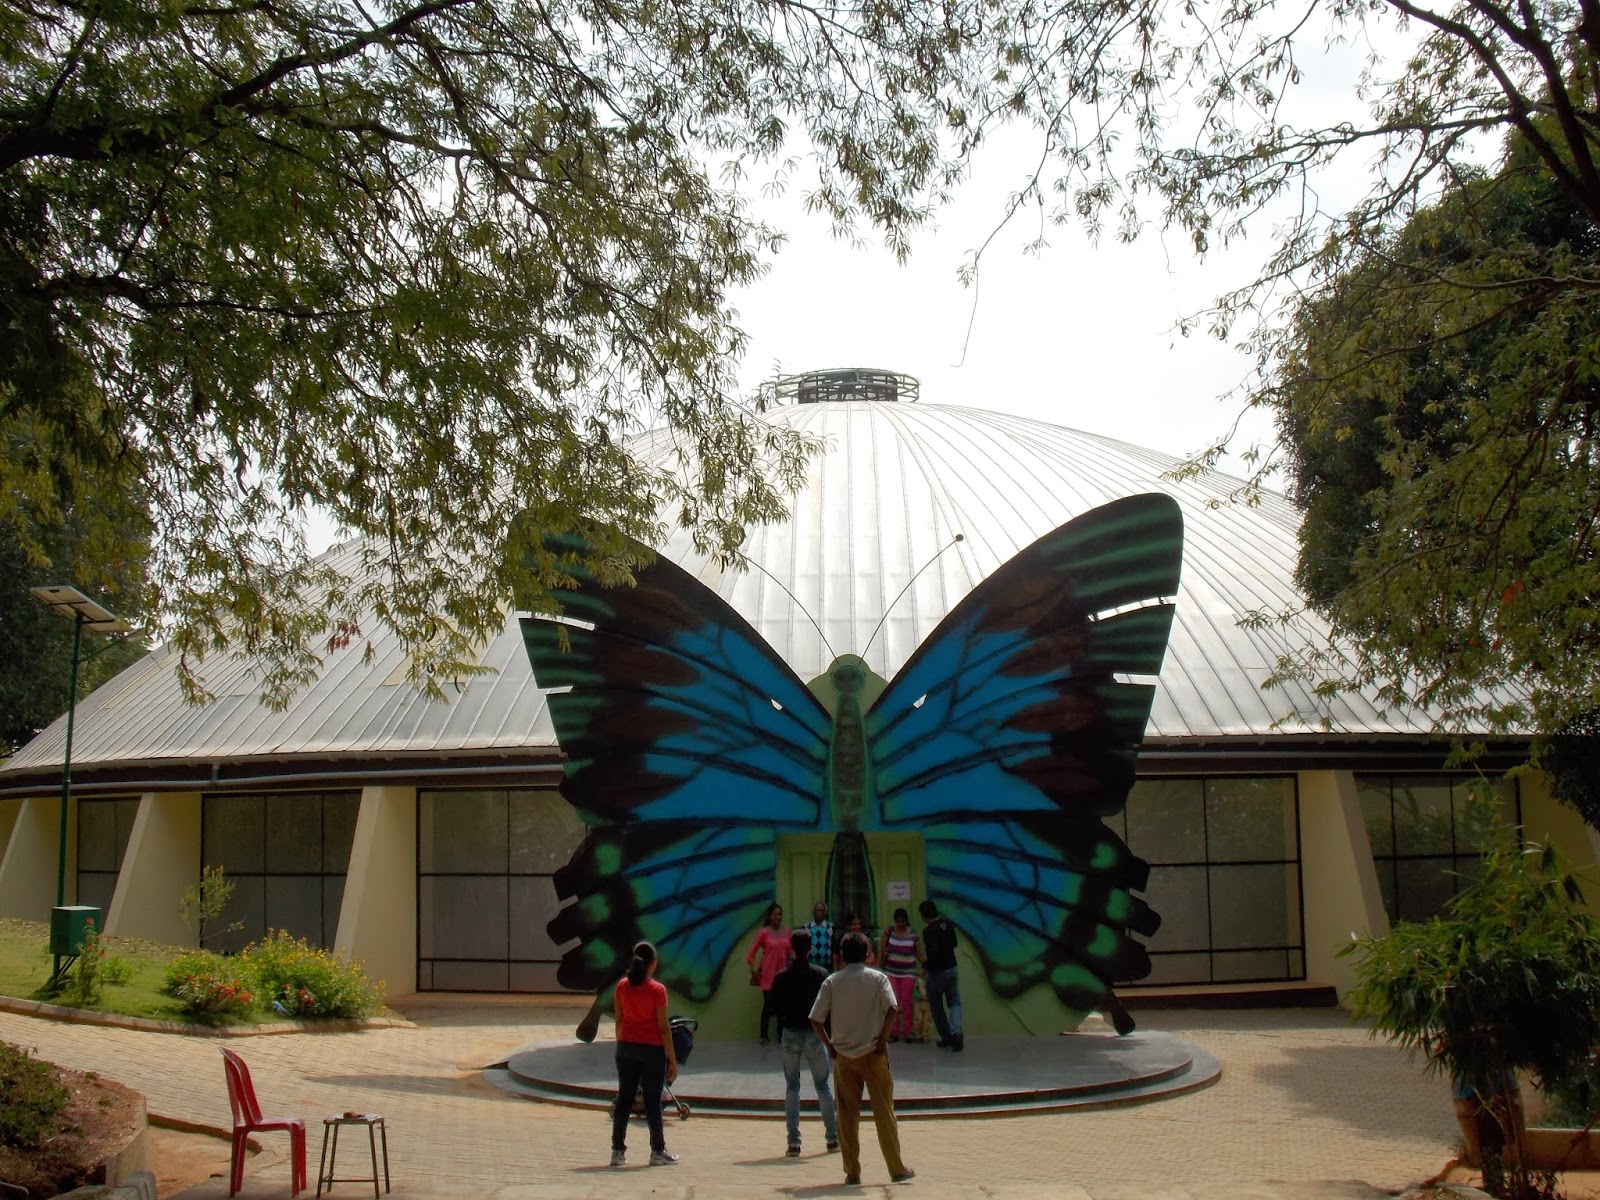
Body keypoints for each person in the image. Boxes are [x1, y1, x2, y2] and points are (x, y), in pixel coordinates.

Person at [809, 931, 915, 1186]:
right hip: (874, 1055)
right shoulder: (878, 979)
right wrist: (881, 1040)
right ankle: (896, 1168)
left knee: (846, 1115)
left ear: (843, 956)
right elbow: (892, 1009)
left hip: (844, 1056)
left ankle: (852, 1171)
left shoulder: (833, 982)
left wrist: (830, 1045)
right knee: (884, 1113)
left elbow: (815, 1019)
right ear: (867, 954)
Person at [768, 929, 839, 1157]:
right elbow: (828, 1009)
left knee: (792, 1087)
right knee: (823, 1087)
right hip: (814, 1034)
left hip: (790, 1032)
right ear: (810, 949)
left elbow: (774, 1008)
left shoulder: (781, 977)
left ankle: (794, 1142)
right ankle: (832, 1138)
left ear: (792, 948)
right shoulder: (821, 975)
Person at [609, 941, 679, 1168]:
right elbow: (662, 1028)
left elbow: (619, 1020)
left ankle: (617, 1152)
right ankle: (657, 1151)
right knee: (652, 1101)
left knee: (624, 1100)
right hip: (652, 1050)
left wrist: (623, 1042)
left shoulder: (621, 986)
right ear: (653, 963)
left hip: (626, 1047)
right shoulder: (658, 990)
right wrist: (672, 1059)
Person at [919, 898, 963, 1051]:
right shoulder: (948, 924)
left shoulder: (929, 931)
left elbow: (933, 954)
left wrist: (925, 967)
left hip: (937, 973)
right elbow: (954, 944)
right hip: (952, 968)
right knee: (954, 1001)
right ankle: (956, 1031)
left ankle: (947, 1037)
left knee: (937, 1006)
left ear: (923, 915)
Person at [746, 901, 791, 1045]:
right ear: (769, 916)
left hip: (783, 974)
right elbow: (750, 954)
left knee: (783, 1008)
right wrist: (753, 970)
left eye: (780, 914)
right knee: (768, 1006)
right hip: (768, 975)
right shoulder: (763, 932)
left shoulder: (787, 931)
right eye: (775, 915)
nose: (778, 917)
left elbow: (792, 951)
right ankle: (763, 1035)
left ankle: (780, 1035)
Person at [878, 908, 920, 1043]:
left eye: (903, 921)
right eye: (898, 921)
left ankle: (908, 1031)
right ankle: (893, 1031)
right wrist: (879, 967)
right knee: (893, 1002)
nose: (900, 924)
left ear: (906, 921)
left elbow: (918, 952)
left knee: (907, 1000)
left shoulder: (913, 934)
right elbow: (882, 950)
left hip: (908, 972)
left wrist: (925, 966)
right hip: (891, 971)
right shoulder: (889, 932)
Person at [803, 901, 834, 973]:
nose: (819, 913)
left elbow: (834, 948)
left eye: (822, 911)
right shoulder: (806, 927)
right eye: (817, 910)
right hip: (810, 966)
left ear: (825, 913)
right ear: (813, 912)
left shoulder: (831, 927)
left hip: (827, 966)